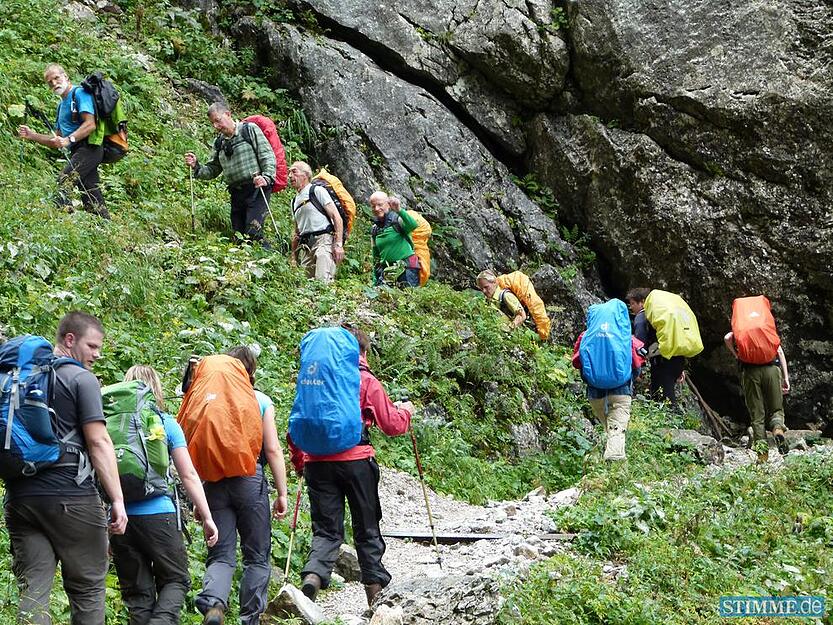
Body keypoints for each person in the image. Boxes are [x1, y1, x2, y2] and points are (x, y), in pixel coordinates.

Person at [4, 311, 127, 625]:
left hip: (21, 501)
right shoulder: (80, 379)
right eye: (92, 346)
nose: (97, 354)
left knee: (33, 591)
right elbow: (99, 442)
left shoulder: (20, 376)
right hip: (70, 500)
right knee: (87, 589)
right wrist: (117, 500)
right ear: (70, 339)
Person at [288, 326, 414, 607]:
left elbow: (297, 423)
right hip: (357, 461)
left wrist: (300, 462)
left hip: (317, 464)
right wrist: (406, 412)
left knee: (326, 530)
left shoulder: (313, 379)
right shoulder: (364, 380)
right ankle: (374, 598)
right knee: (366, 527)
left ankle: (312, 578)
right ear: (363, 352)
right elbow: (392, 425)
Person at [110, 365, 219, 625]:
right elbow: (189, 475)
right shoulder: (165, 422)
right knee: (175, 579)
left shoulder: (108, 426)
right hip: (159, 514)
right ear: (155, 389)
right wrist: (207, 516)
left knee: (137, 594)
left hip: (120, 518)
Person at [196, 346, 288, 625]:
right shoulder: (259, 399)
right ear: (251, 371)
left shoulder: (207, 399)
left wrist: (199, 497)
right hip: (249, 480)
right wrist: (282, 492)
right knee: (257, 556)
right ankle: (250, 618)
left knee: (221, 554)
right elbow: (271, 449)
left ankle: (213, 605)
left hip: (213, 481)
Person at [17, 63, 109, 218]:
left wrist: (69, 139)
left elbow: (90, 124)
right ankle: (103, 227)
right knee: (90, 192)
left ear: (65, 76)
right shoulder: (61, 106)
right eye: (50, 82)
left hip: (90, 147)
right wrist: (32, 135)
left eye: (56, 78)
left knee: (64, 182)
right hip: (78, 151)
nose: (54, 83)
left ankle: (63, 222)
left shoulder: (79, 94)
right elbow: (56, 140)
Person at [184, 102, 276, 245]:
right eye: (212, 123)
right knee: (239, 235)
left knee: (253, 231)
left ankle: (267, 262)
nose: (216, 126)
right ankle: (246, 264)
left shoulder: (249, 130)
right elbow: (213, 169)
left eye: (218, 120)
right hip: (236, 193)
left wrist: (267, 177)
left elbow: (267, 155)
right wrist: (196, 166)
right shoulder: (219, 143)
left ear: (228, 114)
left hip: (257, 188)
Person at [572, 312, 645, 461]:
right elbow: (637, 364)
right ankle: (614, 466)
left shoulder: (586, 335)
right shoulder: (625, 336)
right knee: (616, 430)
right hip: (620, 390)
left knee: (610, 429)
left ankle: (605, 461)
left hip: (594, 392)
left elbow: (577, 362)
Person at [724, 332, 790, 453]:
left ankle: (762, 453)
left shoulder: (742, 327)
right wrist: (786, 378)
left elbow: (727, 338)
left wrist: (736, 354)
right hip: (772, 369)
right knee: (776, 409)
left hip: (750, 372)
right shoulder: (766, 327)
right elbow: (779, 351)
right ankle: (777, 430)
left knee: (757, 415)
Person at [626, 287, 686, 407]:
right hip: (677, 358)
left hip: (662, 362)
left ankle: (672, 422)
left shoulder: (641, 317)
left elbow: (640, 344)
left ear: (642, 302)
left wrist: (637, 368)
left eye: (633, 303)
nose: (631, 307)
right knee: (661, 394)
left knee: (665, 399)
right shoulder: (659, 316)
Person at [288, 161, 344, 282]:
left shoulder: (316, 191)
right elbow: (296, 232)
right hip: (305, 245)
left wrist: (339, 244)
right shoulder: (293, 201)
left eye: (294, 171)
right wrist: (293, 256)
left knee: (323, 280)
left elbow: (336, 216)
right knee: (306, 286)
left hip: (324, 240)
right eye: (289, 172)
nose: (290, 176)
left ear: (306, 175)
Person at [370, 192, 420, 287]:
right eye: (373, 206)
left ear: (388, 204)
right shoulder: (374, 230)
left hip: (407, 269)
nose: (376, 208)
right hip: (387, 270)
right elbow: (376, 256)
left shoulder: (398, 220)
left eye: (380, 204)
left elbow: (413, 225)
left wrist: (399, 210)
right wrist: (375, 279)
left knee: (407, 299)